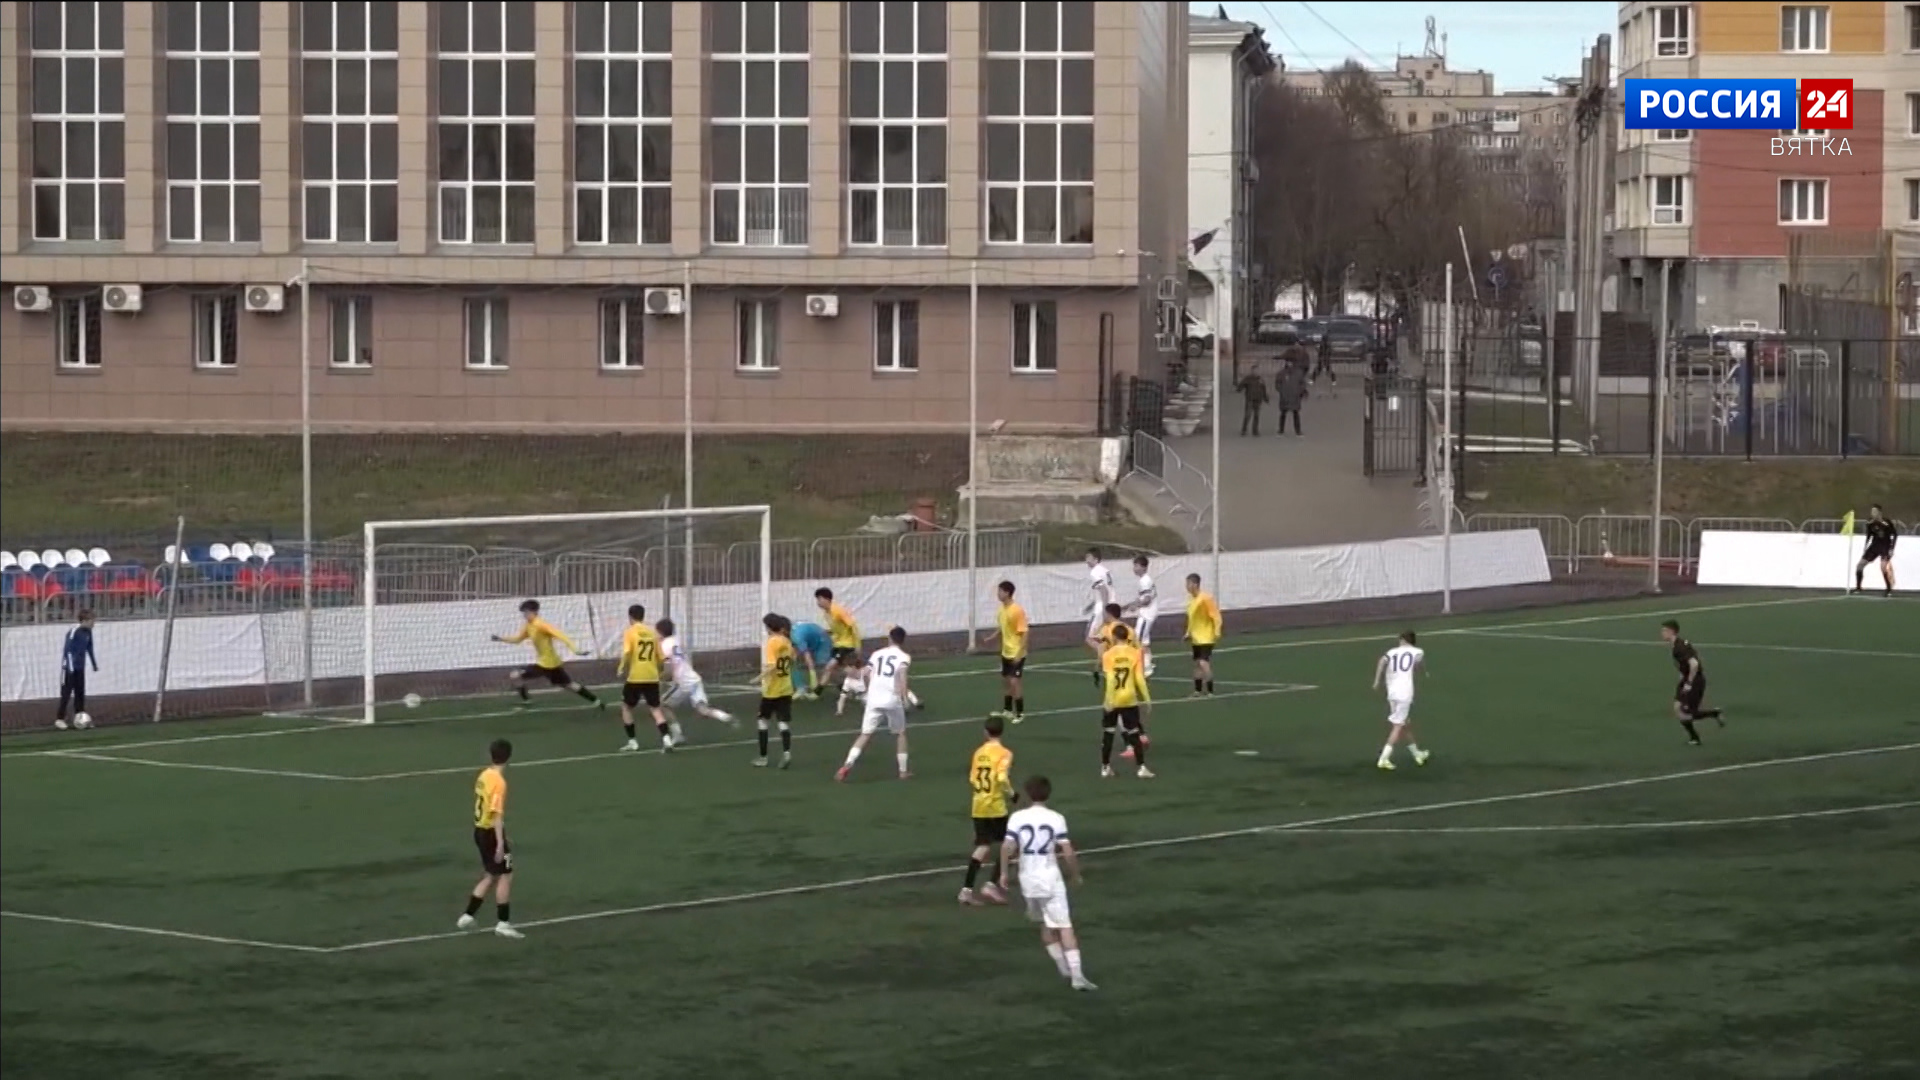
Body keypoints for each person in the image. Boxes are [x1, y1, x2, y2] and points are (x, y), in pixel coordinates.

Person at [1000, 775, 1095, 991]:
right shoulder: (1056, 818)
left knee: (1045, 921)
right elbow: (1067, 851)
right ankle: (1077, 976)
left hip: (1027, 879)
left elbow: (1007, 847)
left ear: (1027, 794)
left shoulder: (1017, 818)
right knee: (1064, 925)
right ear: (1048, 794)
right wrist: (1075, 874)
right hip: (1050, 877)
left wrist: (1004, 873)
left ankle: (1062, 966)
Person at [457, 738, 523, 938]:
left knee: (491, 874)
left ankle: (468, 915)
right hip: (490, 833)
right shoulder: (499, 783)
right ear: (509, 757)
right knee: (506, 874)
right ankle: (503, 923)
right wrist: (500, 843)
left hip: (480, 831)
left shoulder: (484, 775)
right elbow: (496, 814)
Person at [836, 626, 913, 782]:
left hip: (873, 699)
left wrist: (853, 673)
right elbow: (902, 678)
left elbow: (865, 672)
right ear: (903, 640)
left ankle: (847, 765)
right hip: (892, 699)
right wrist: (905, 698)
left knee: (865, 734)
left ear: (889, 638)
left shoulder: (877, 654)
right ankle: (903, 771)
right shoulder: (904, 657)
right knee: (900, 734)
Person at [491, 600, 600, 709]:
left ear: (533, 612)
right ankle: (527, 700)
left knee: (568, 685)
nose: (524, 615)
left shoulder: (541, 625)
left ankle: (596, 700)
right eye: (523, 613)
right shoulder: (528, 626)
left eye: (526, 612)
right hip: (543, 663)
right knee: (516, 675)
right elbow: (518, 639)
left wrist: (575, 650)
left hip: (550, 664)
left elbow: (561, 636)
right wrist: (501, 639)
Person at [960, 715, 1015, 906]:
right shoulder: (1005, 753)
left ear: (985, 732)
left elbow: (973, 779)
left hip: (978, 804)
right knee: (1010, 843)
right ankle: (991, 884)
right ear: (1002, 732)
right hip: (995, 806)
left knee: (983, 846)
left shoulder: (978, 753)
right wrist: (1012, 794)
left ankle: (966, 890)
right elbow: (1001, 778)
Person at [616, 604, 677, 752]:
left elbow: (627, 652)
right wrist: (660, 671)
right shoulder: (651, 633)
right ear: (643, 616)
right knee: (655, 709)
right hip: (652, 677)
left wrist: (621, 668)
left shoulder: (630, 632)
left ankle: (633, 742)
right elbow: (660, 658)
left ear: (630, 617)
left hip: (636, 677)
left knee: (626, 707)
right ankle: (667, 739)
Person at [656, 618, 734, 728]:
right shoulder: (676, 641)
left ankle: (677, 734)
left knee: (664, 705)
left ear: (660, 632)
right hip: (694, 679)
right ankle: (724, 716)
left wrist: (659, 678)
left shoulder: (664, 646)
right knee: (703, 710)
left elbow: (668, 670)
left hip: (683, 682)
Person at [1099, 624, 1154, 779]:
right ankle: (1141, 768)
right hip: (1129, 699)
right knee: (1134, 734)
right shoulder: (1135, 653)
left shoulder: (1108, 655)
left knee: (1108, 733)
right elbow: (1139, 678)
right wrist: (1147, 698)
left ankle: (1105, 767)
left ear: (1114, 637)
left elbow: (1110, 679)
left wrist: (1108, 700)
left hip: (1114, 699)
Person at [1371, 631, 1430, 770]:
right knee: (1398, 726)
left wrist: (1377, 681)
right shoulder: (1418, 652)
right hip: (1405, 693)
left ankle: (1417, 753)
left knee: (1404, 723)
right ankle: (1384, 758)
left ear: (1403, 640)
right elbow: (1419, 665)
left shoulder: (1391, 652)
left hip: (1392, 692)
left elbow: (1381, 661)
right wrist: (1425, 672)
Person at [1660, 620, 1724, 746]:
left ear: (1671, 631)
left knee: (1688, 713)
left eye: (1664, 630)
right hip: (1687, 679)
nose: (1661, 633)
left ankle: (1714, 714)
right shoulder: (1677, 644)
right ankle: (1694, 737)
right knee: (1678, 709)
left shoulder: (1679, 647)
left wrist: (1689, 682)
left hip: (1695, 681)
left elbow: (1694, 664)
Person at [754, 614, 798, 769]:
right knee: (783, 722)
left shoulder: (772, 642)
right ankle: (786, 753)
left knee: (762, 721)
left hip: (772, 690)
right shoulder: (787, 641)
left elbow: (772, 665)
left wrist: (759, 677)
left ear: (769, 627)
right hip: (786, 688)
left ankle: (763, 757)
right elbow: (793, 659)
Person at [985, 580, 1029, 723]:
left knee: (1015, 682)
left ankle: (1020, 713)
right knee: (1006, 682)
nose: (998, 594)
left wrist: (1019, 653)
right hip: (1006, 652)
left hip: (1016, 652)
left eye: (1000, 591)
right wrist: (991, 637)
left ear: (1007, 593)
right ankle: (1007, 710)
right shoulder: (1001, 610)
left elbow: (1024, 632)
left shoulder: (1017, 610)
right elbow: (1002, 627)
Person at [813, 588, 862, 696]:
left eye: (819, 599)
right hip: (838, 644)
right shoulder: (826, 613)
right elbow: (838, 628)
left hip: (847, 644)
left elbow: (853, 627)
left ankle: (817, 691)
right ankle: (857, 682)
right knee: (841, 668)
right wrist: (827, 632)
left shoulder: (838, 610)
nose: (818, 602)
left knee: (830, 666)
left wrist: (858, 645)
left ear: (827, 599)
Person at [55, 609, 97, 729]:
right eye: (92, 621)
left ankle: (80, 718)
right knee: (66, 694)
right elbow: (68, 650)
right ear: (84, 621)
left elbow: (89, 648)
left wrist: (94, 663)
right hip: (69, 668)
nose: (94, 623)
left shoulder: (88, 633)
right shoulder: (74, 632)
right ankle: (59, 719)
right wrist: (71, 667)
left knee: (80, 693)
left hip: (80, 668)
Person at [1183, 574, 1221, 697]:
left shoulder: (1205, 598)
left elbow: (1216, 615)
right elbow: (1192, 619)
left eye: (1188, 584)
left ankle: (1210, 690)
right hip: (1196, 638)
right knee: (1198, 664)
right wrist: (1188, 632)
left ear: (1195, 584)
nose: (1186, 586)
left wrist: (1217, 631)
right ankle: (1197, 690)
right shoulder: (1191, 600)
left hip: (1206, 637)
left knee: (1203, 662)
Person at [1082, 549, 1115, 688]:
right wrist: (1092, 605)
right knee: (1104, 637)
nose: (1086, 560)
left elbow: (1103, 591)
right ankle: (1105, 661)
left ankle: (1107, 657)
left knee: (1090, 638)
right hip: (1110, 605)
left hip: (1103, 608)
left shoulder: (1095, 572)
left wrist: (1104, 610)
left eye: (1089, 557)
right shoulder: (1104, 570)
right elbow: (1106, 590)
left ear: (1096, 559)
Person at [1124, 555, 1158, 678]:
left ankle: (1144, 666)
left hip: (1146, 614)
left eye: (1136, 566)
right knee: (1144, 641)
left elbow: (1147, 599)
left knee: (1137, 640)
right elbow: (1143, 598)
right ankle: (1148, 664)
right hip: (1147, 613)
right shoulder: (1145, 580)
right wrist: (1129, 605)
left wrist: (1136, 606)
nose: (1134, 568)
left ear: (1143, 567)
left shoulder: (1145, 581)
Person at [1853, 504, 1898, 597]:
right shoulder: (1870, 523)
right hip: (1874, 546)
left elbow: (1894, 535)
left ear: (1879, 512)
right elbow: (1869, 536)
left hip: (1885, 546)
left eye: (1874, 511)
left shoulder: (1886, 522)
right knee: (1860, 565)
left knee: (1883, 567)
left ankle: (1888, 589)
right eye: (1872, 511)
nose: (1872, 513)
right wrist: (1865, 547)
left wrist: (1892, 548)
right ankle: (1858, 587)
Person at [790, 619, 834, 697]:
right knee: (793, 661)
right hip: (813, 638)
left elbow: (807, 655)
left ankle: (844, 684)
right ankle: (801, 688)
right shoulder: (793, 632)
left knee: (827, 666)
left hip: (822, 641)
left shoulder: (797, 636)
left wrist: (812, 674)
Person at [1275, 358, 1307, 436]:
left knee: (1296, 414)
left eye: (1291, 363)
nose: (1289, 364)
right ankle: (1281, 430)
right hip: (1285, 397)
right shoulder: (1281, 373)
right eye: (1288, 363)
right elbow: (1277, 384)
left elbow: (1302, 383)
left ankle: (1298, 431)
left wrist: (1299, 391)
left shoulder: (1298, 373)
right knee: (1283, 414)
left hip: (1295, 397)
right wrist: (1281, 391)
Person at [1237, 365, 1269, 436]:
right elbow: (1241, 386)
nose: (1257, 372)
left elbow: (1263, 389)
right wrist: (1239, 388)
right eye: (1255, 370)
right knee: (1248, 415)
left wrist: (1266, 398)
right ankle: (1244, 429)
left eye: (1258, 370)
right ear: (1252, 371)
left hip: (1258, 399)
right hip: (1250, 399)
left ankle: (1255, 431)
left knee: (1256, 416)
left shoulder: (1261, 379)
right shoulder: (1248, 378)